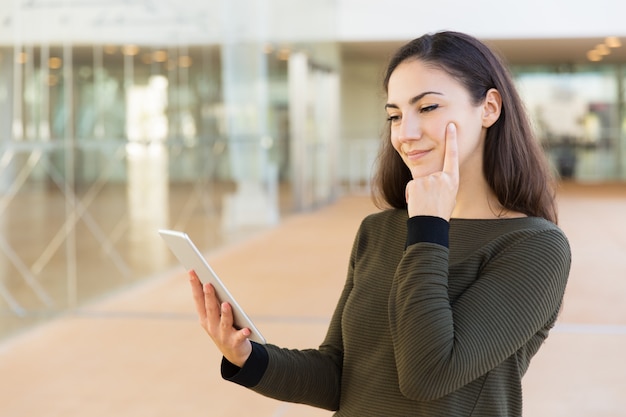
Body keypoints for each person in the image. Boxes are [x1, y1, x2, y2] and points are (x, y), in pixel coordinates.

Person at [188, 31, 571, 417]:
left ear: (489, 107)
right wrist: (247, 356)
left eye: (428, 108)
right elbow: (341, 375)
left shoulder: (535, 247)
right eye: (394, 115)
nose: (405, 133)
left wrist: (429, 226)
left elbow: (427, 375)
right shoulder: (380, 231)